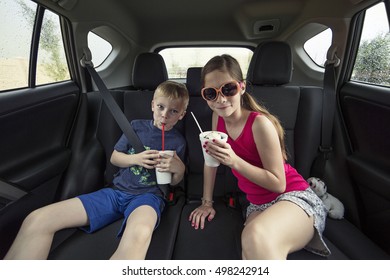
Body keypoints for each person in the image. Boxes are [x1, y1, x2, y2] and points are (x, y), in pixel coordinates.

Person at [4, 80, 189, 260]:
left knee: (139, 234)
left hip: (149, 197)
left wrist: (178, 169)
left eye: (173, 111)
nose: (165, 115)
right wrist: (136, 159)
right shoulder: (135, 127)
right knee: (37, 219)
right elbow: (115, 158)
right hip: (116, 192)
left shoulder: (178, 142)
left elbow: (173, 183)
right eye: (161, 107)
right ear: (152, 105)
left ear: (182, 115)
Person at [189, 54, 330, 259]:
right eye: (211, 93)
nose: (220, 99)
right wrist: (207, 203)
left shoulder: (260, 124)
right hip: (257, 204)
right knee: (249, 248)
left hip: (292, 197)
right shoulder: (216, 117)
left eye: (228, 89)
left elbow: (278, 184)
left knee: (256, 236)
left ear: (242, 87)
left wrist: (234, 161)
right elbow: (211, 161)